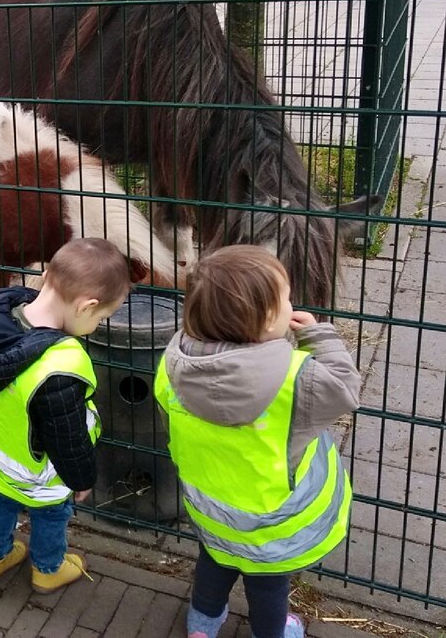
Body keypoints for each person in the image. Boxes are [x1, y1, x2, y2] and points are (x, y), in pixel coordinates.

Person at [154, 245, 361, 638]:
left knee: (214, 563)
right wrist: (320, 336)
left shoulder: (171, 364)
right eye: (284, 299)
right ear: (267, 320)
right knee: (268, 586)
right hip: (272, 523)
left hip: (211, 507)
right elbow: (345, 388)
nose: (291, 304)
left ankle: (202, 626)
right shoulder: (298, 378)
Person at [0, 238, 130, 594]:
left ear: (46, 277)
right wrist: (81, 479)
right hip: (38, 472)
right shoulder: (59, 365)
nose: (97, 325)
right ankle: (48, 568)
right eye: (101, 317)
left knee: (0, 501)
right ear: (86, 305)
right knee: (51, 515)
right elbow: (68, 437)